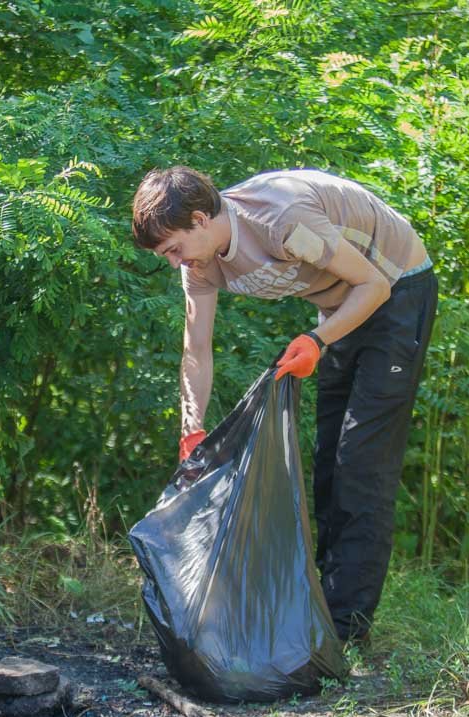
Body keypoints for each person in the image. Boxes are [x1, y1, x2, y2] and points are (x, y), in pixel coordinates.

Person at [131, 166, 438, 643]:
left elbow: (374, 285)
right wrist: (192, 428)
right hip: (343, 307)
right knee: (328, 463)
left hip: (397, 289)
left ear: (199, 219)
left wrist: (317, 341)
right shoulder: (201, 262)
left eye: (173, 249)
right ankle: (322, 611)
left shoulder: (282, 221)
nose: (174, 263)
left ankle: (346, 632)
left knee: (361, 463)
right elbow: (197, 348)